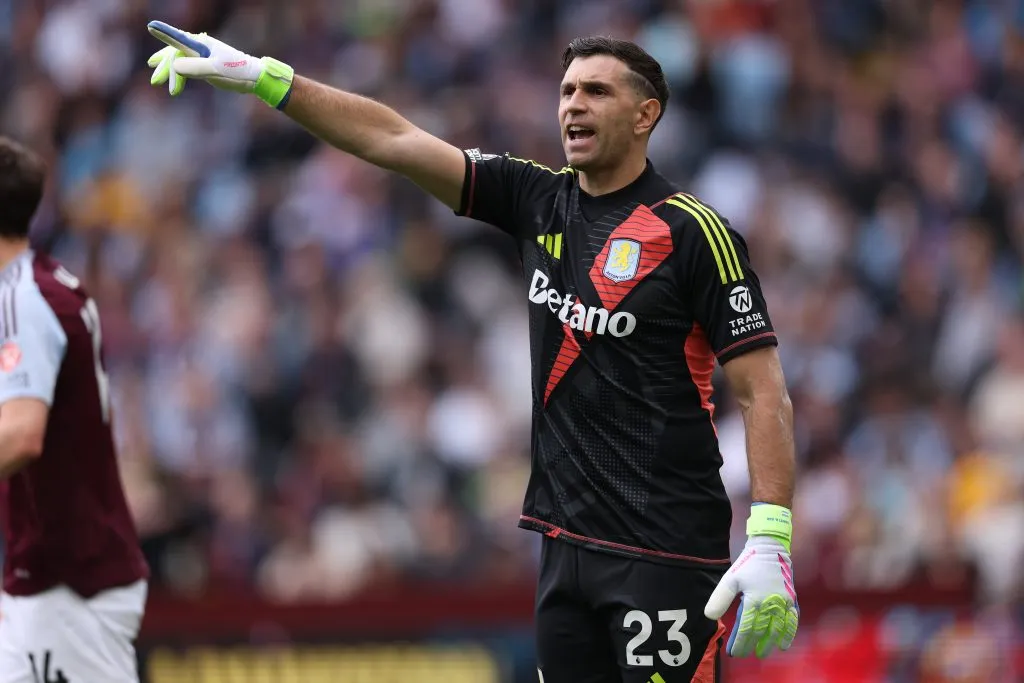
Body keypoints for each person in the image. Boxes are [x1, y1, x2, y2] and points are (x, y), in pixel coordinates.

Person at [146, 21, 799, 683]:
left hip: (663, 553)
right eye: (568, 90)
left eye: (597, 92)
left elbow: (762, 387)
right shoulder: (537, 199)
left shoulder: (694, 232)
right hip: (564, 551)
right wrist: (266, 77)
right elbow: (392, 139)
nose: (573, 104)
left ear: (645, 114)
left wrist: (770, 533)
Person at [0, 136, 150, 683]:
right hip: (48, 576)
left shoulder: (20, 300)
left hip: (71, 582)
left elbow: (20, 436)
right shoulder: (43, 284)